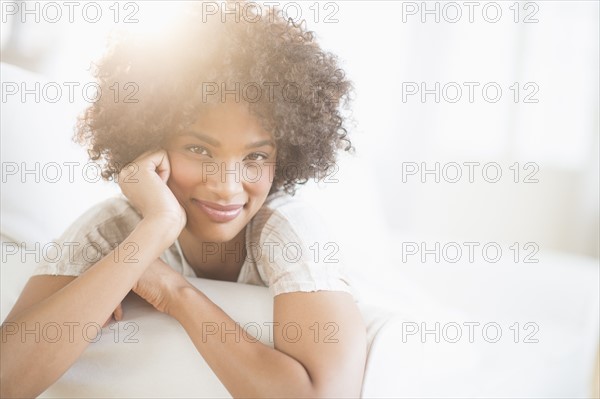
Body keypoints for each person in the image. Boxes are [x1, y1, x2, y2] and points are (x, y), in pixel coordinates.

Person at [0, 2, 366, 397]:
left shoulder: (288, 232)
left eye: (256, 157)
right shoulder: (114, 230)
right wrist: (157, 227)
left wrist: (176, 293)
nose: (227, 187)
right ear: (150, 144)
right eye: (200, 151)